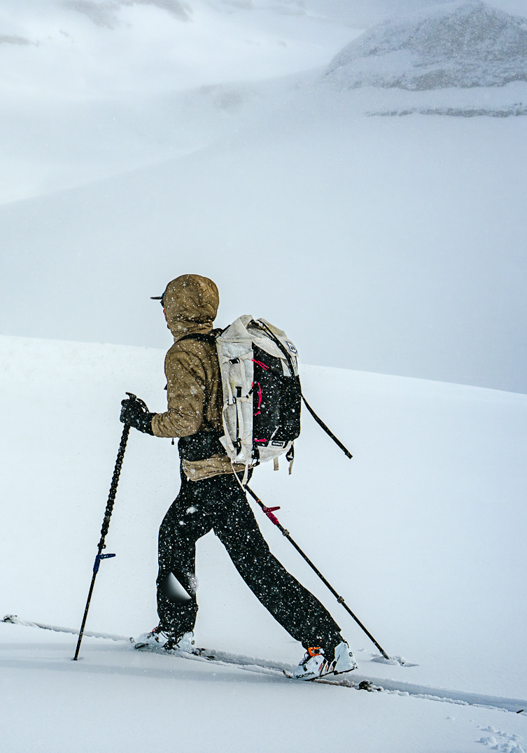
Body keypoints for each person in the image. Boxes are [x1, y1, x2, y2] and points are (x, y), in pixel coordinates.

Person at [119, 273, 356, 679]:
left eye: (166, 303)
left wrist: (143, 420)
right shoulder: (222, 347)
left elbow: (186, 420)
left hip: (210, 477)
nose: (162, 310)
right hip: (223, 471)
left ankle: (325, 644)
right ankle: (179, 628)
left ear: (177, 308)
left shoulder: (184, 354)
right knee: (212, 549)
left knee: (235, 558)